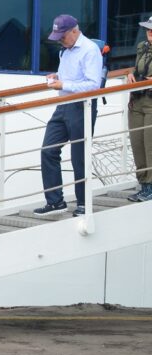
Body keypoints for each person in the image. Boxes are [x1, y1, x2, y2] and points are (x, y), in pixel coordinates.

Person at [34, 14, 103, 218]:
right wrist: (57, 77)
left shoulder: (90, 50)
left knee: (79, 155)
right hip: (63, 105)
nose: (60, 41)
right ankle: (55, 202)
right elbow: (69, 77)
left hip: (82, 106)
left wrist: (64, 84)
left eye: (62, 36)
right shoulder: (65, 50)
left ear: (75, 31)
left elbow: (93, 84)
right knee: (48, 150)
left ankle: (83, 203)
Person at [127, 16, 152, 202]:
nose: (149, 32)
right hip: (137, 100)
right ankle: (143, 184)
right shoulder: (142, 46)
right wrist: (129, 74)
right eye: (148, 29)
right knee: (137, 144)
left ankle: (150, 186)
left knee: (150, 144)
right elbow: (137, 68)